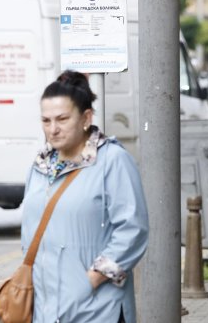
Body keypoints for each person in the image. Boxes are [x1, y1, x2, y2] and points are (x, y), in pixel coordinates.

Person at [21, 71, 149, 322]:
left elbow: (133, 229)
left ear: (86, 118)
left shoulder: (112, 160)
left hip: (98, 309)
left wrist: (90, 280)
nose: (53, 129)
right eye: (46, 121)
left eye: (62, 119)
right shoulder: (39, 167)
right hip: (46, 311)